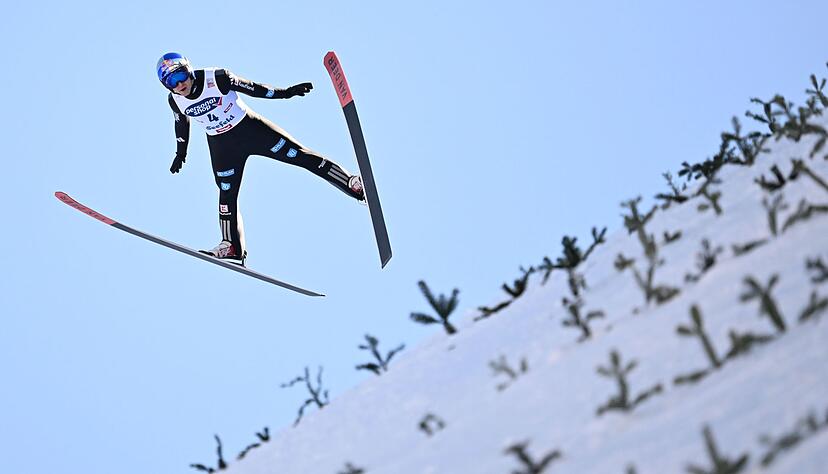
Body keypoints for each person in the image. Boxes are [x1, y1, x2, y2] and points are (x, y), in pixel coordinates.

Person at [156, 52, 365, 265]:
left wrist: (285, 93)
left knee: (301, 156)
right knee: (226, 195)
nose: (179, 84)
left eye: (180, 76)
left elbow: (254, 88)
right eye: (171, 82)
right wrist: (180, 153)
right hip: (223, 146)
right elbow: (181, 124)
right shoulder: (175, 100)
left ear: (188, 69)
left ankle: (351, 184)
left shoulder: (216, 78)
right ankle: (231, 246)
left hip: (251, 131)